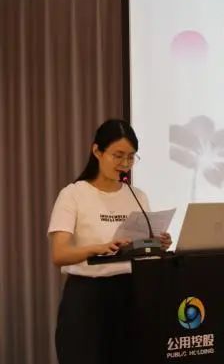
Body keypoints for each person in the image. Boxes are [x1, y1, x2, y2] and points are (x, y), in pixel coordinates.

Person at [48, 119, 172, 364]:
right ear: (97, 151)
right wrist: (99, 248)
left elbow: (142, 249)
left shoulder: (137, 196)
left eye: (131, 157)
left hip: (131, 295)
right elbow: (59, 254)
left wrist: (158, 244)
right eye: (118, 155)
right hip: (87, 298)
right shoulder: (73, 194)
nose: (125, 164)